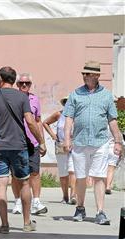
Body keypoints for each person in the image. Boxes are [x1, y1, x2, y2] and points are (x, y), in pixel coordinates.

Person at [0, 66, 46, 233]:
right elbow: (31, 122)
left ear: (0, 79)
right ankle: (26, 223)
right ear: (13, 80)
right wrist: (41, 141)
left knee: (1, 184)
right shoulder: (22, 97)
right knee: (25, 183)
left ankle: (4, 225)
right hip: (19, 146)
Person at [63, 60, 123, 225]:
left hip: (101, 142)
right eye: (83, 73)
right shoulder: (75, 94)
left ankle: (100, 212)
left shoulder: (106, 95)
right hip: (80, 142)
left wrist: (118, 141)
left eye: (88, 74)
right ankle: (80, 208)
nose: (84, 76)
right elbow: (68, 118)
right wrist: (67, 139)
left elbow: (112, 120)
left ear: (96, 75)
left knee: (99, 177)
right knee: (81, 177)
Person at [11, 73, 47, 215]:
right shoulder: (13, 98)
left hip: (33, 141)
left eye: (27, 83)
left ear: (30, 85)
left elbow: (38, 121)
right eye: (21, 83)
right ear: (17, 84)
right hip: (17, 141)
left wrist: (41, 140)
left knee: (35, 172)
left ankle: (36, 202)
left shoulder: (34, 99)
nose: (24, 85)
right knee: (16, 174)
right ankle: (18, 201)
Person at [43, 96, 76, 204]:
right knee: (63, 173)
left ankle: (73, 195)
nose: (68, 104)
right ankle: (65, 196)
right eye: (66, 102)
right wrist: (53, 135)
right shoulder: (59, 114)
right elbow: (45, 123)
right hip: (61, 145)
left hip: (74, 146)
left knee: (72, 170)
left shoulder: (78, 115)